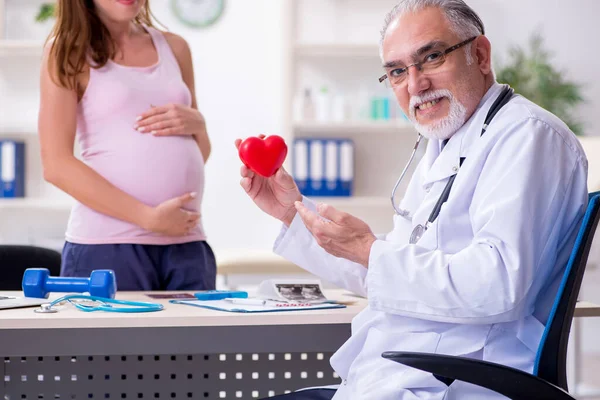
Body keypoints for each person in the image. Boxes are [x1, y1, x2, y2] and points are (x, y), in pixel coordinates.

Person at [239, 0, 589, 399]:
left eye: (432, 57)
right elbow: (394, 275)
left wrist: (370, 251)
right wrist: (293, 213)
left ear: (481, 55)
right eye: (397, 71)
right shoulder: (447, 143)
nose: (415, 84)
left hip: (460, 381)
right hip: (407, 371)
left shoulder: (527, 136)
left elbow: (497, 287)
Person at [38, 0, 216, 291]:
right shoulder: (67, 52)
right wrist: (148, 218)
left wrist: (199, 125)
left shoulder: (175, 48)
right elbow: (56, 165)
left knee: (196, 338)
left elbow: (199, 153)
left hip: (187, 241)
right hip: (108, 245)